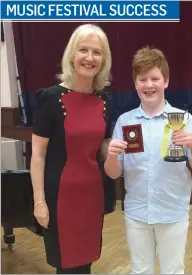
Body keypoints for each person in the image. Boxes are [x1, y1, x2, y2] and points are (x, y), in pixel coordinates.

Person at [104, 47, 192, 274]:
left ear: (166, 81)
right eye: (143, 79)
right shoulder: (125, 122)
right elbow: (113, 173)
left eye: (155, 78)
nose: (149, 85)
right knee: (140, 271)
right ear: (135, 84)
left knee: (172, 270)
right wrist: (111, 155)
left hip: (172, 211)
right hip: (137, 213)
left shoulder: (183, 120)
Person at [30, 23, 114, 274]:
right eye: (83, 50)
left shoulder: (105, 100)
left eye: (97, 52)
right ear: (71, 55)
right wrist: (39, 202)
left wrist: (120, 148)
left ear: (104, 59)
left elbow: (102, 149)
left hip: (92, 195)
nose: (89, 58)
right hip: (60, 198)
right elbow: (38, 154)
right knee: (66, 266)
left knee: (85, 263)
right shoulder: (51, 98)